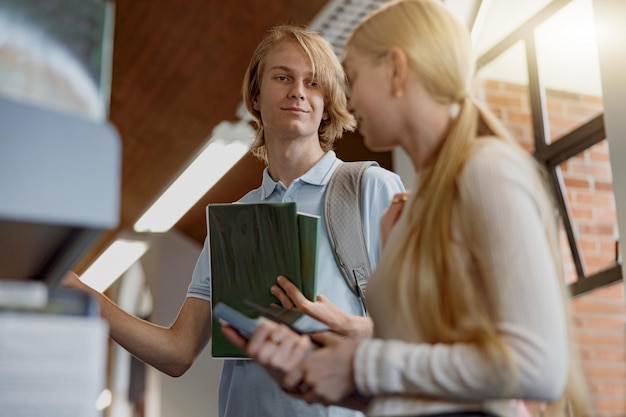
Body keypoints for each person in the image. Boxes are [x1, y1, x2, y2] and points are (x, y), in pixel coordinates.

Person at [222, 1, 593, 416]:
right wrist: (318, 375)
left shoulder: (487, 170)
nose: (347, 98)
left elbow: (538, 366)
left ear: (397, 70)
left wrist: (361, 363)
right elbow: (419, 390)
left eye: (355, 77)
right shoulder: (412, 208)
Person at [64, 24, 405, 417]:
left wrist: (353, 329)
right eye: (282, 77)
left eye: (313, 83)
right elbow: (178, 352)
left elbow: (425, 333)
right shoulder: (235, 219)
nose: (298, 91)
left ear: (327, 103)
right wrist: (80, 293)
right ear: (256, 96)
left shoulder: (370, 188)